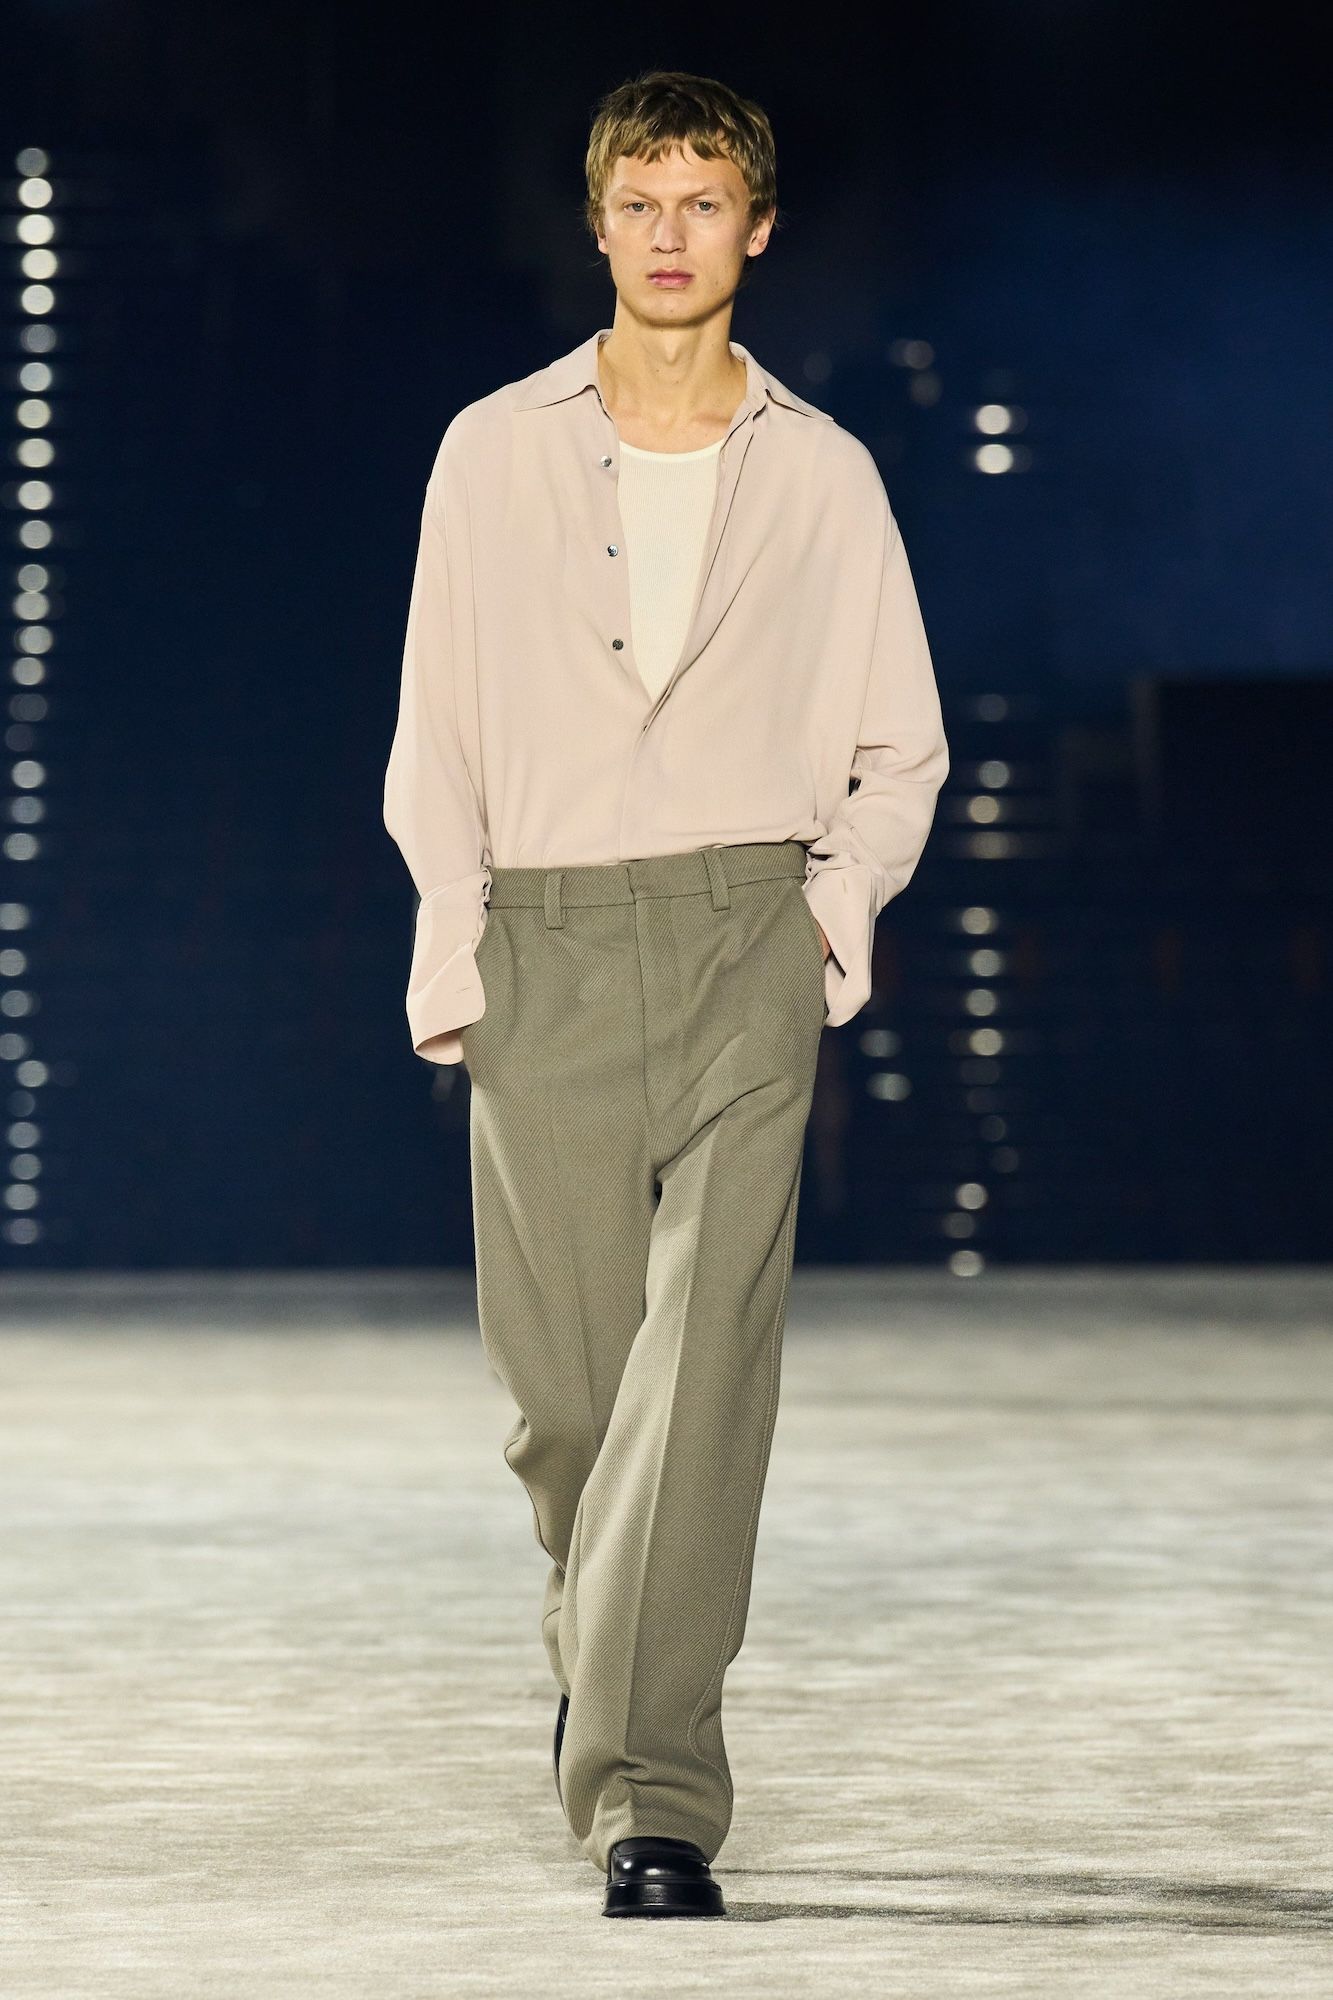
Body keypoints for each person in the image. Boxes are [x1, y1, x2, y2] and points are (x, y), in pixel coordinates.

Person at [382, 68, 949, 1919]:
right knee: (567, 1401)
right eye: (639, 201)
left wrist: (822, 925)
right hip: (542, 938)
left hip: (737, 939)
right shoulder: (493, 452)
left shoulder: (825, 473)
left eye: (703, 201)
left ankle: (651, 1796)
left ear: (754, 227)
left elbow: (898, 746)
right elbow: (435, 730)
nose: (668, 234)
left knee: (701, 1377)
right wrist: (457, 944)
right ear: (598, 222)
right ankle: (604, 1631)